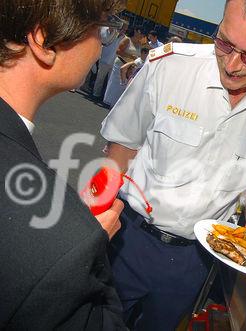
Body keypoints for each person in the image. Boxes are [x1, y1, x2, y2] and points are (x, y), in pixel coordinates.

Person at [100, 0, 246, 329]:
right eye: (224, 42)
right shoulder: (169, 66)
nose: (232, 65)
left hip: (195, 259)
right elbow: (121, 144)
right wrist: (98, 208)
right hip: (127, 238)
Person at [0, 0, 127, 329]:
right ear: (45, 40)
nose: (103, 43)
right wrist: (89, 244)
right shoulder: (65, 239)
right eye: (101, 27)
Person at [103, 25, 145, 107]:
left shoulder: (140, 44)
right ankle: (110, 102)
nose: (142, 35)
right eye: (141, 33)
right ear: (135, 31)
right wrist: (131, 56)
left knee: (124, 86)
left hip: (130, 68)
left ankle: (117, 104)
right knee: (116, 84)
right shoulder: (127, 40)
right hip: (120, 64)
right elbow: (118, 51)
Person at [92, 21, 129, 100]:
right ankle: (95, 94)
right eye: (122, 29)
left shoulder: (125, 39)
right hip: (105, 58)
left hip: (114, 62)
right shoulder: (111, 33)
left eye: (125, 30)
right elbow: (104, 39)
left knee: (110, 81)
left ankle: (106, 98)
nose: (123, 31)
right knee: (100, 78)